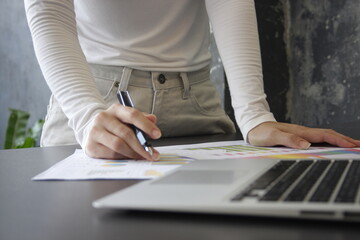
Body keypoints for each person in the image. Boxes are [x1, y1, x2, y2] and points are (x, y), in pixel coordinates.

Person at [24, 0, 360, 161]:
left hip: (194, 100)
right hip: (99, 103)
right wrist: (85, 114)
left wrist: (254, 115)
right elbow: (48, 10)